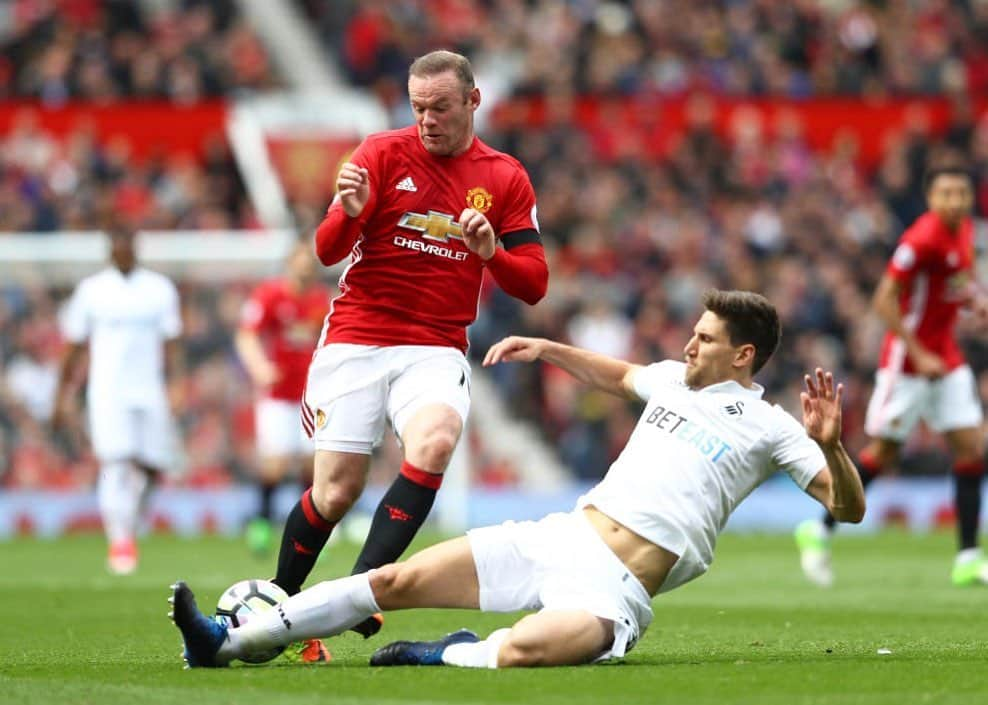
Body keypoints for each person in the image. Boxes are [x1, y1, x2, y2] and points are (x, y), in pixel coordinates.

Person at [170, 289, 865, 669]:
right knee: (394, 581)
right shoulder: (669, 382)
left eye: (705, 338)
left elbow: (849, 505)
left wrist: (831, 447)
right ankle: (226, 641)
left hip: (617, 591)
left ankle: (450, 654)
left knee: (534, 648)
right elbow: (617, 373)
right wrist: (547, 348)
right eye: (693, 331)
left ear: (743, 354)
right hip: (561, 537)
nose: (688, 343)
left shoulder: (772, 425)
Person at [271, 48, 548, 644]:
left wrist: (491, 252)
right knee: (336, 491)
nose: (427, 119)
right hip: (357, 337)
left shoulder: (504, 177)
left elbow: (534, 283)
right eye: (418, 107)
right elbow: (324, 251)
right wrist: (348, 214)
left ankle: (362, 586)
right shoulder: (379, 153)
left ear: (473, 102)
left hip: (435, 346)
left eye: (440, 107)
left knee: (437, 441)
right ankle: (279, 607)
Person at [795, 165, 988, 588]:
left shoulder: (967, 232)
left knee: (972, 446)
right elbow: (884, 302)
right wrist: (919, 352)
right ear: (931, 198)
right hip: (907, 360)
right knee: (884, 453)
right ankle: (819, 528)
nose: (955, 201)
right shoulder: (919, 241)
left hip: (947, 356)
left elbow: (957, 278)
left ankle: (969, 557)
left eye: (962, 192)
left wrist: (975, 299)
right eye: (946, 194)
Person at [53, 223, 184, 575]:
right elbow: (73, 347)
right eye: (118, 244)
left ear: (137, 247)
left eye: (130, 243)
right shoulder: (92, 291)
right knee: (117, 463)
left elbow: (172, 344)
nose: (124, 249)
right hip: (108, 391)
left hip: (150, 389)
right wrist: (61, 393)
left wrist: (177, 384)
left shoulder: (159, 289)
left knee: (155, 467)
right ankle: (120, 538)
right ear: (109, 249)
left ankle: (131, 525)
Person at [234, 241, 331, 555]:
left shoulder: (322, 301)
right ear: (291, 262)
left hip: (311, 396)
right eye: (301, 260)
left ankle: (312, 532)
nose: (305, 267)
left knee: (311, 466)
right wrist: (259, 367)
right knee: (274, 465)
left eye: (310, 262)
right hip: (277, 395)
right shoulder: (271, 295)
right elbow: (246, 334)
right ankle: (261, 524)